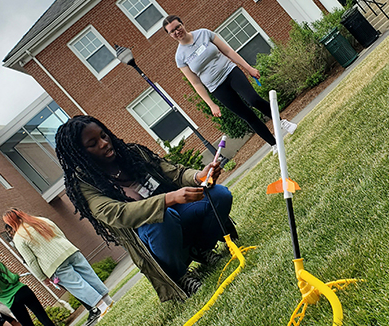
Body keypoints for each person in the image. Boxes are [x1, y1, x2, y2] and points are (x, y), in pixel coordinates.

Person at [54, 115, 233, 301]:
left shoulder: (131, 153)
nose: (104, 143)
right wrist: (168, 198)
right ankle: (180, 276)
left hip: (177, 214)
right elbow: (117, 214)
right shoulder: (84, 184)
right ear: (80, 152)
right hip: (153, 232)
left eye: (103, 135)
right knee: (161, 217)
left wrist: (199, 176)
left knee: (220, 195)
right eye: (93, 143)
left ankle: (200, 249)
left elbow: (174, 172)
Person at [162, 15, 296, 152]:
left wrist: (249, 68)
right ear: (170, 35)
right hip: (216, 88)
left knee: (254, 100)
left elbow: (228, 51)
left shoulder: (204, 33)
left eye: (178, 27)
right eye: (172, 31)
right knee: (247, 115)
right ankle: (274, 144)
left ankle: (282, 122)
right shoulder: (180, 57)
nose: (177, 31)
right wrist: (211, 104)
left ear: (182, 24)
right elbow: (195, 83)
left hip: (230, 72)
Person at [3, 208, 114, 325]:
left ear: (10, 223)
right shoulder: (40, 220)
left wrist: (42, 277)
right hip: (69, 250)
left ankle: (102, 307)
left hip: (54, 264)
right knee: (90, 276)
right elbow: (60, 234)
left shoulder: (19, 238)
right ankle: (108, 301)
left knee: (78, 286)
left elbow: (31, 261)